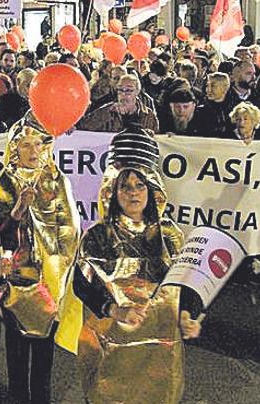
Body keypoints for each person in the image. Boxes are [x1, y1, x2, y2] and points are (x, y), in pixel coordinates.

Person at [74, 129, 203, 403]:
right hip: (111, 347)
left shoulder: (170, 235)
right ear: (112, 191)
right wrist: (113, 309)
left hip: (160, 350)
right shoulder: (97, 236)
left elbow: (187, 283)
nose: (133, 193)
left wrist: (188, 315)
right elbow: (81, 285)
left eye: (140, 185)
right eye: (125, 186)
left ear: (152, 189)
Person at [0, 116, 83, 404]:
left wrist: (56, 268)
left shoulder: (56, 181)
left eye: (38, 145)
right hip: (15, 284)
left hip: (49, 283)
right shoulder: (4, 182)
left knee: (44, 355)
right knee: (16, 352)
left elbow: (70, 231)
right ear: (14, 148)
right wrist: (19, 212)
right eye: (26, 145)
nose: (33, 152)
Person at [77, 73, 160, 133]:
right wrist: (108, 112)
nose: (123, 94)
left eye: (128, 90)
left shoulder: (148, 115)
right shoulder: (108, 110)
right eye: (120, 90)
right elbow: (84, 126)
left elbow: (159, 141)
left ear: (137, 92)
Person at [191, 72, 234, 138]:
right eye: (207, 86)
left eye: (213, 86)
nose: (209, 90)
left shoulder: (234, 110)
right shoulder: (199, 112)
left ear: (225, 88)